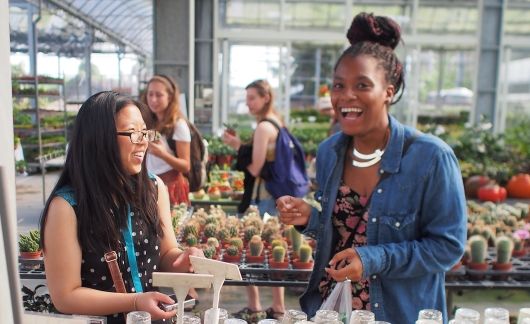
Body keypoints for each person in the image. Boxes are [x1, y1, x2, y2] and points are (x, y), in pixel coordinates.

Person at [276, 12, 466, 323]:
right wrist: (311, 218)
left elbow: (447, 248)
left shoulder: (431, 158)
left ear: (388, 92)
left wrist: (372, 259)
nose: (346, 96)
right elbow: (347, 230)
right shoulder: (329, 153)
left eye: (362, 85)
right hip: (333, 309)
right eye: (339, 85)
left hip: (400, 312)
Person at [40, 92, 203, 324]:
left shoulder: (154, 188)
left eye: (145, 131)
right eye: (133, 132)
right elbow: (65, 296)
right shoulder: (66, 207)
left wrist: (183, 259)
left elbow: (168, 253)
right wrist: (135, 302)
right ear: (100, 139)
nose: (144, 141)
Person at [222, 79, 286, 322]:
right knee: (274, 251)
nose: (248, 103)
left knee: (252, 248)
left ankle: (255, 306)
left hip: (261, 198)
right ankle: (278, 307)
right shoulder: (276, 122)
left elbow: (256, 168)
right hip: (274, 196)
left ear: (265, 98)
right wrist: (240, 144)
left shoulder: (263, 128)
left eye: (252, 98)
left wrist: (239, 150)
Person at [141, 74, 191, 206]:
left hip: (171, 187)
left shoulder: (178, 125)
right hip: (150, 185)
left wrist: (163, 154)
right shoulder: (146, 121)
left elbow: (186, 166)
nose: (153, 99)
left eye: (159, 95)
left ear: (170, 97)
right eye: (150, 94)